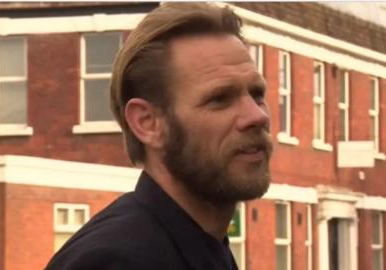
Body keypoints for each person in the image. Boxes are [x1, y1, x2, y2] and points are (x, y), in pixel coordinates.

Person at [45, 2, 272, 270]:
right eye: (220, 99)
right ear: (147, 123)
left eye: (257, 95)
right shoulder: (116, 261)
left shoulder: (203, 246)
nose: (257, 116)